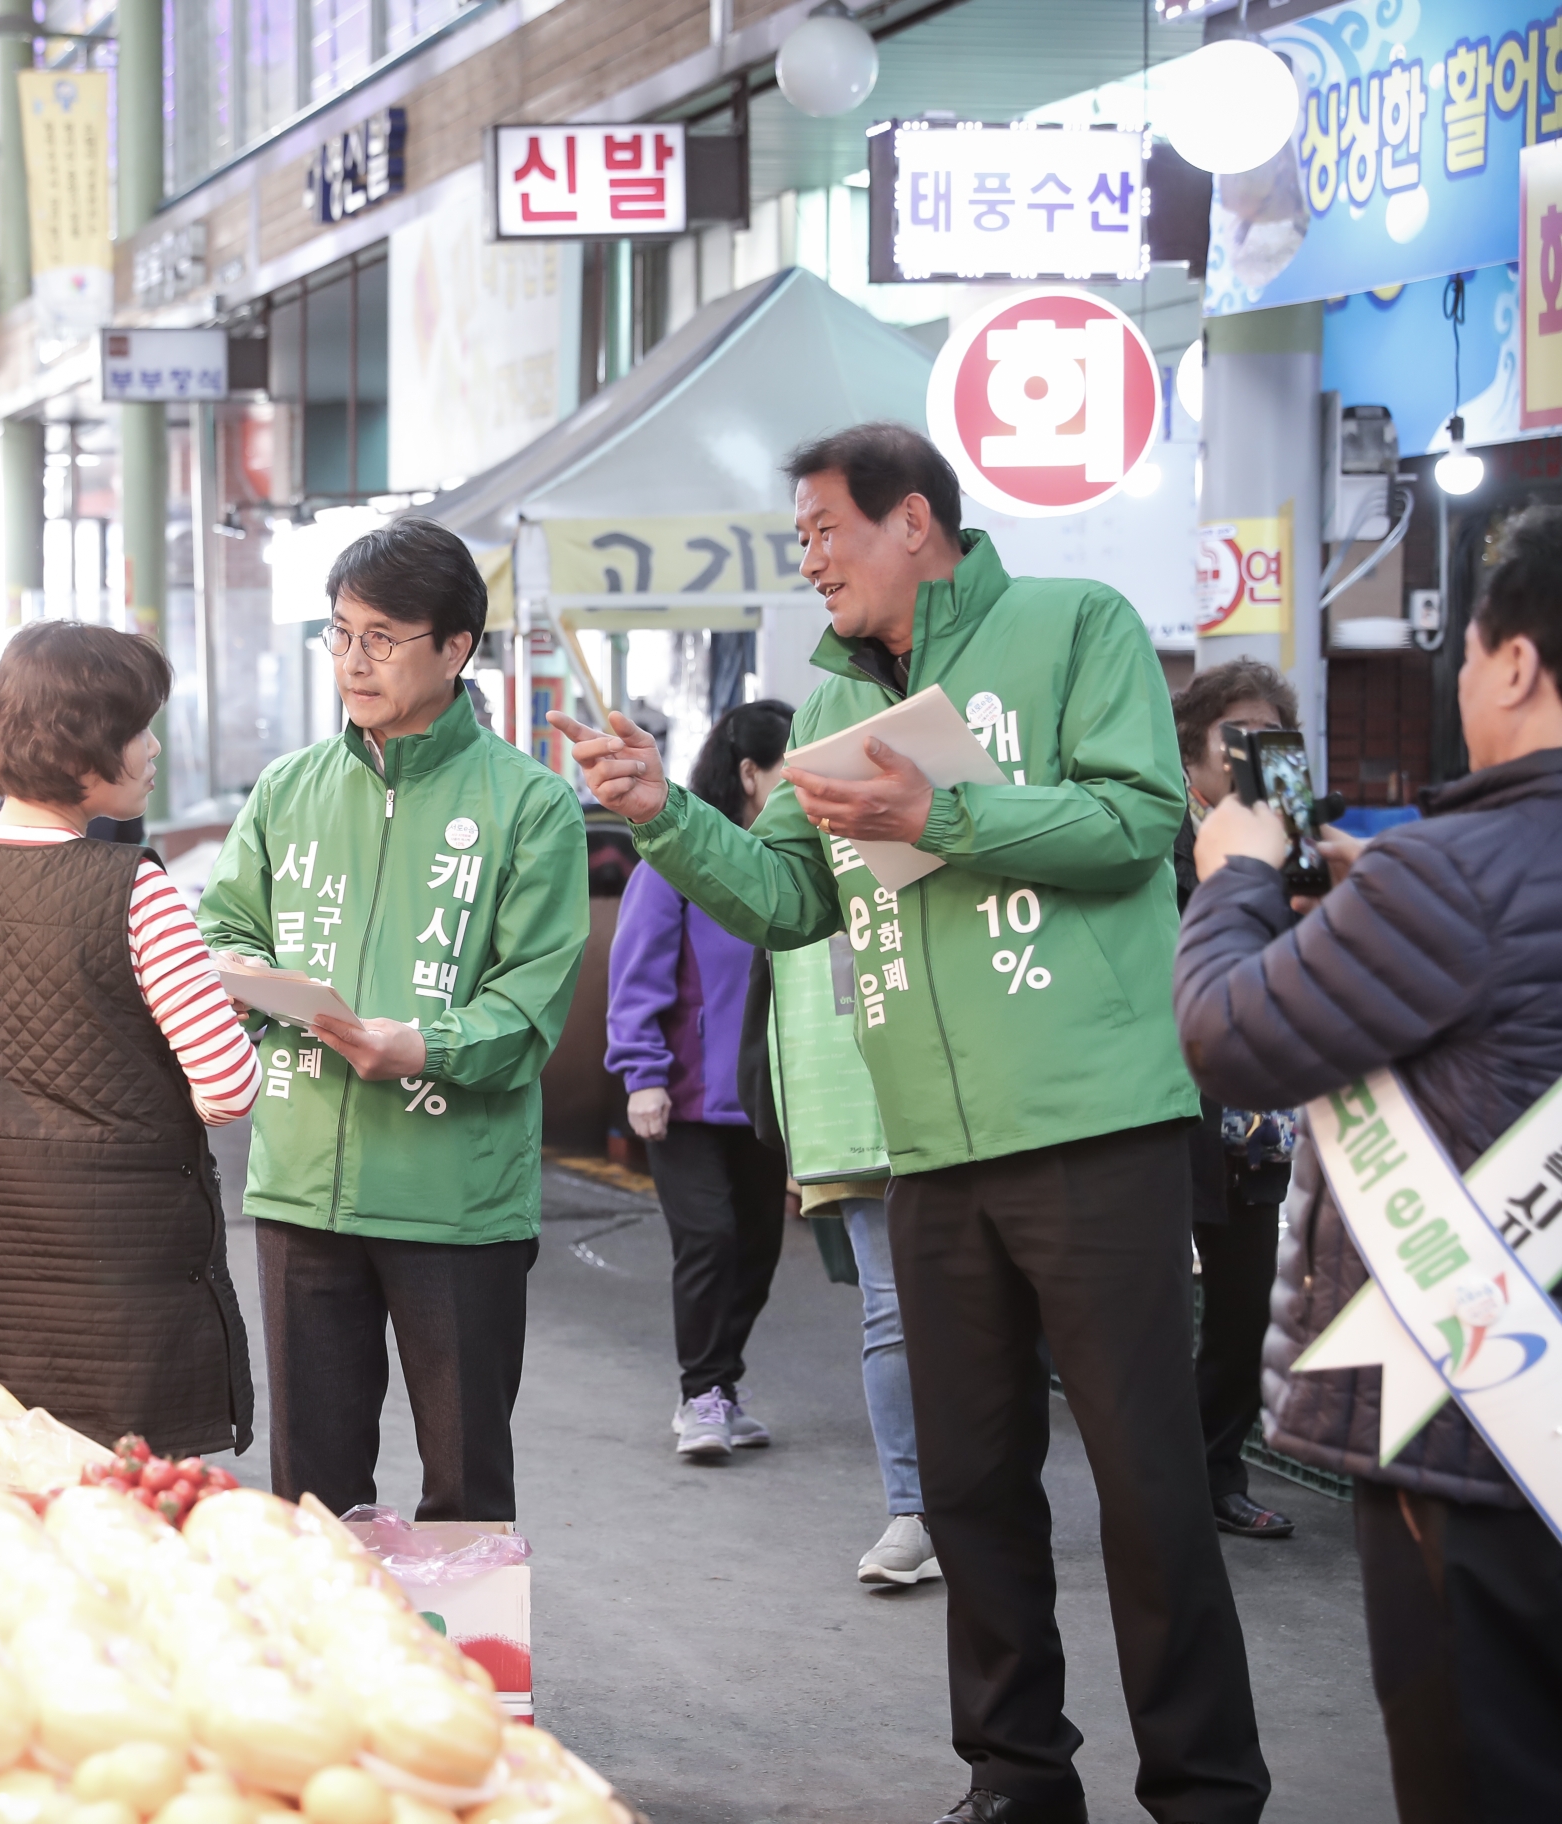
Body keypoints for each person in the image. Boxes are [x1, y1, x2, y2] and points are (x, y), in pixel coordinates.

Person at [551, 422, 1266, 1824]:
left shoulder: (1076, 624)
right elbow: (790, 900)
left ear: (915, 522)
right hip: (927, 1148)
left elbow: (1137, 823)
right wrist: (662, 816)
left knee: (1148, 1484)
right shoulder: (828, 703)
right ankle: (1015, 1778)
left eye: (825, 530)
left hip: (1094, 1129)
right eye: (802, 538)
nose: (810, 561)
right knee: (970, 1486)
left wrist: (946, 814)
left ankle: (1204, 1790)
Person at [1176, 504, 1562, 1824]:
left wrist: (1237, 880)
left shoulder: (1448, 877)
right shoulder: (1431, 883)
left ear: (1515, 663)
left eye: (1469, 651)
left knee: (1485, 1774)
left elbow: (1232, 1036)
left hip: (1482, 1429)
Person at [199, 518, 589, 1522]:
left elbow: (529, 1002)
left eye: (382, 637)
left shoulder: (530, 805)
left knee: (465, 1489)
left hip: (451, 1195)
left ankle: (467, 1636)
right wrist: (239, 977)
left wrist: (420, 1046)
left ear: (455, 649)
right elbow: (226, 926)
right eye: (340, 633)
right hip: (301, 1188)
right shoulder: (289, 788)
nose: (354, 660)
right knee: (312, 1494)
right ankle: (333, 1635)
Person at [0, 621, 258, 1453]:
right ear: (84, 749)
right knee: (121, 1502)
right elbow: (228, 1090)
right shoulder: (136, 891)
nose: (154, 749)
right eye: (139, 729)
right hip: (120, 1289)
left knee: (0, 1493)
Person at [605, 699, 795, 1464]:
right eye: (791, 772)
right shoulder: (678, 856)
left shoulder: (792, 866)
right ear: (750, 774)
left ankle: (722, 1386)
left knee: (758, 1248)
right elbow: (636, 970)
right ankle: (702, 1394)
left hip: (766, 1099)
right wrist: (642, 1074)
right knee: (709, 1239)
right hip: (682, 1099)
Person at [1169, 660, 1309, 1542]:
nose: (1256, 751)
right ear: (1194, 758)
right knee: (1149, 1312)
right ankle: (1161, 1487)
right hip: (1168, 1108)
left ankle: (1218, 1472)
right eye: (1238, 736)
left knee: (1243, 1309)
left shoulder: (1299, 844)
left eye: (1271, 734)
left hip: (1260, 1115)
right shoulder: (1159, 840)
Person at [735, 945, 928, 1586]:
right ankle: (912, 1510)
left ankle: (987, 1502)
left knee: (996, 1308)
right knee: (890, 1306)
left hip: (975, 1085)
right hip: (853, 1101)